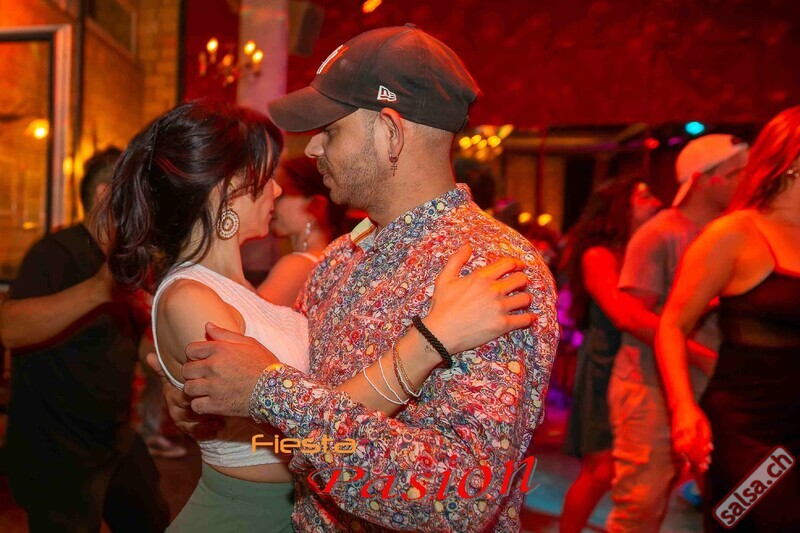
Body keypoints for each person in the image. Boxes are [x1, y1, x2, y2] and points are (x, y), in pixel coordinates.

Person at [165, 24, 558, 532]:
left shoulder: (490, 267)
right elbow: (307, 435)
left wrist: (268, 391)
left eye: (330, 130)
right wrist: (223, 419)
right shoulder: (338, 261)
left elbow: (460, 497)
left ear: (391, 133)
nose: (312, 149)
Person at [0, 148, 169, 532]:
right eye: (139, 192)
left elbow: (138, 346)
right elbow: (9, 327)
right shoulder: (57, 252)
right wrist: (98, 290)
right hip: (56, 450)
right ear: (106, 195)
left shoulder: (125, 261)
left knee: (154, 519)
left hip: (114, 437)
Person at [657, 107, 800, 531]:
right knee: (758, 521)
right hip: (748, 432)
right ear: (793, 161)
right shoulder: (734, 233)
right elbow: (672, 325)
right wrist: (683, 408)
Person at [606, 134, 748, 532]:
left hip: (714, 385)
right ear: (704, 179)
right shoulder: (660, 233)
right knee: (641, 505)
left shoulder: (734, 234)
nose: (747, 181)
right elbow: (631, 316)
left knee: (730, 500)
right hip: (649, 386)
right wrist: (700, 355)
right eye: (738, 173)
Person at [560, 178, 662, 532]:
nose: (656, 202)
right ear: (621, 207)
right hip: (603, 365)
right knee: (599, 470)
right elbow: (621, 314)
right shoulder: (598, 255)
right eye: (644, 196)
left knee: (623, 467)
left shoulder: (637, 252)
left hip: (630, 365)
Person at [258, 156, 348, 306]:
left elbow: (245, 317)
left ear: (316, 205)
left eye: (283, 194)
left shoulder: (298, 266)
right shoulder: (332, 261)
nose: (272, 201)